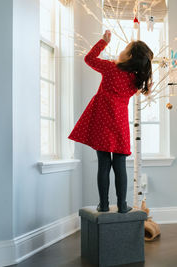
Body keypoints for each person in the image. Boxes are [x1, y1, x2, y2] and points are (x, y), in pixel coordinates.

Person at [68, 30, 153, 213]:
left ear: (128, 56)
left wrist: (103, 42)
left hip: (103, 122)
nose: (121, 51)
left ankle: (104, 205)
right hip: (120, 124)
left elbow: (89, 59)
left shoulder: (111, 68)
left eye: (125, 49)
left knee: (104, 164)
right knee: (120, 165)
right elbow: (138, 89)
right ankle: (122, 205)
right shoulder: (135, 80)